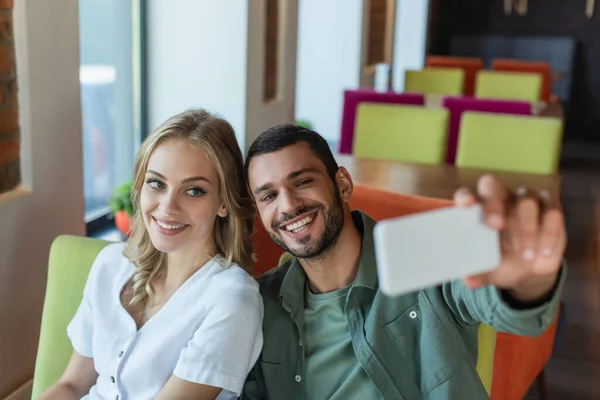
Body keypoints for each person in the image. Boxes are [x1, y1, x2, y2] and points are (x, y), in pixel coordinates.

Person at [241, 124, 566, 399]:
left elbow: (507, 306)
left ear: (342, 184)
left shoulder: (426, 257)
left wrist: (526, 280)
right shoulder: (259, 304)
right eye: (269, 196)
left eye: (302, 182)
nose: (288, 205)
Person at [41, 109, 263, 400]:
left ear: (224, 202)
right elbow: (71, 386)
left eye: (194, 191)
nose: (168, 207)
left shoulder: (232, 299)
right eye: (156, 183)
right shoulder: (111, 264)